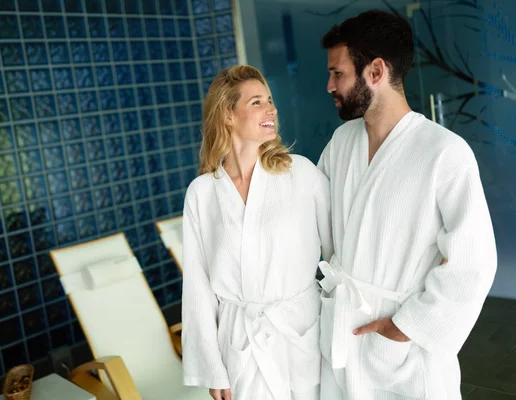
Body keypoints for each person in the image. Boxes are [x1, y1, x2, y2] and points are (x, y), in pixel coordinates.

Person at [316, 10, 497, 400]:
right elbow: (312, 220)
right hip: (343, 337)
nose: (329, 85)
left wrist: (408, 327)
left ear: (376, 71)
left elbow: (475, 261)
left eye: (338, 73)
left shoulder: (444, 152)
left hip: (403, 349)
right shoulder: (341, 144)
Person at [181, 65, 333, 400]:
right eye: (256, 102)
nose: (271, 109)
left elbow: (339, 252)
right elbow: (197, 288)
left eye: (270, 100)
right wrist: (212, 367)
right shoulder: (203, 194)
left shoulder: (301, 174)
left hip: (302, 333)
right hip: (241, 346)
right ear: (228, 115)